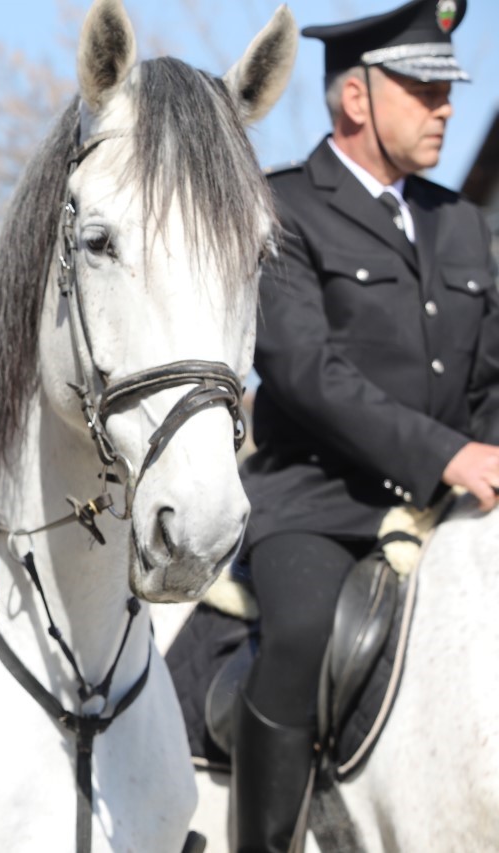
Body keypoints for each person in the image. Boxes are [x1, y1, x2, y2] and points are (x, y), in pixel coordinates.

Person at [237, 0, 499, 849]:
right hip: (317, 503)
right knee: (303, 632)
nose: (446, 106)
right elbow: (307, 373)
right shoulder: (281, 210)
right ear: (357, 99)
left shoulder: (458, 220)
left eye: (447, 89)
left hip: (454, 496)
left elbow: (488, 373)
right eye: (424, 88)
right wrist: (450, 454)